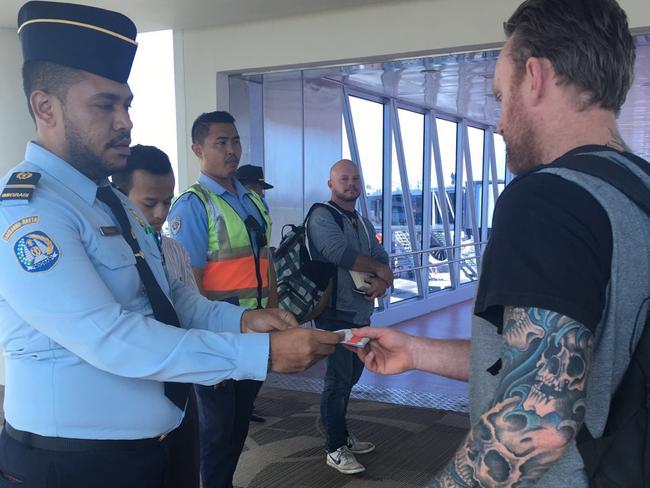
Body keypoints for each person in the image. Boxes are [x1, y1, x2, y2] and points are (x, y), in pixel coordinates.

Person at [0, 3, 339, 487]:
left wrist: (242, 320)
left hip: (163, 442)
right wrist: (258, 355)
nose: (126, 122)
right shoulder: (28, 211)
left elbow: (171, 299)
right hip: (76, 464)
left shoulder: (109, 199)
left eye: (127, 104)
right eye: (105, 105)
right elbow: (109, 336)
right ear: (45, 107)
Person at [353, 1, 650, 487]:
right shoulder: (636, 190)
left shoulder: (549, 198)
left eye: (498, 96)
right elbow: (551, 360)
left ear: (533, 77)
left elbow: (538, 422)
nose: (498, 122)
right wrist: (417, 351)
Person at [167, 111, 277, 488]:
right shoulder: (194, 205)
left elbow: (266, 262)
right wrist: (206, 349)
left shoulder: (251, 200)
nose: (232, 150)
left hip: (254, 332)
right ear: (198, 149)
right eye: (221, 143)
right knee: (215, 433)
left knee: (238, 425)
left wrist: (274, 316)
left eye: (235, 141)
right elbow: (188, 282)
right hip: (219, 336)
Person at [112, 144, 200, 488]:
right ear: (120, 196)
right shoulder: (108, 254)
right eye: (149, 203)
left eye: (167, 201)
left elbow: (190, 304)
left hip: (178, 382)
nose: (161, 213)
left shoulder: (173, 251)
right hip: (131, 391)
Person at [307, 159, 394, 474]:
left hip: (359, 311)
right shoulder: (322, 216)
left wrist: (383, 281)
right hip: (334, 312)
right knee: (338, 379)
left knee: (351, 376)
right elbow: (337, 253)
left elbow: (382, 257)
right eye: (344, 178)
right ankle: (334, 447)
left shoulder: (362, 221)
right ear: (331, 184)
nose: (351, 183)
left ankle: (339, 432)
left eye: (356, 178)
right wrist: (379, 269)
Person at [236, 163, 274, 423]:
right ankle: (243, 408)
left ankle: (247, 407)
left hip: (258, 303)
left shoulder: (259, 209)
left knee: (257, 364)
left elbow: (265, 256)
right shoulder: (230, 208)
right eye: (259, 186)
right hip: (235, 308)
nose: (261, 192)